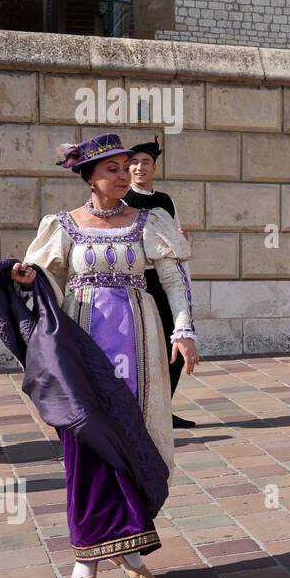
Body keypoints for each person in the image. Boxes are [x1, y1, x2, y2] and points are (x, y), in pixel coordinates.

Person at [7, 134, 197, 578]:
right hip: (84, 341)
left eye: (125, 165)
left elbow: (174, 278)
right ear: (90, 177)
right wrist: (25, 282)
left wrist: (184, 330)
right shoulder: (64, 226)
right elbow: (47, 286)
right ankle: (87, 551)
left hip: (140, 340)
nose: (123, 174)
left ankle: (129, 546)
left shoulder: (149, 222)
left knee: (134, 435)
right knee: (89, 437)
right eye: (111, 169)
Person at [124, 140, 196, 429]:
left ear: (154, 167)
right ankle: (138, 410)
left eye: (146, 162)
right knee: (142, 347)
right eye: (135, 162)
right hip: (139, 281)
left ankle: (164, 408)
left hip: (165, 280)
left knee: (175, 343)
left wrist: (182, 240)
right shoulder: (123, 200)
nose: (140, 167)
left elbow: (178, 241)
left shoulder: (165, 200)